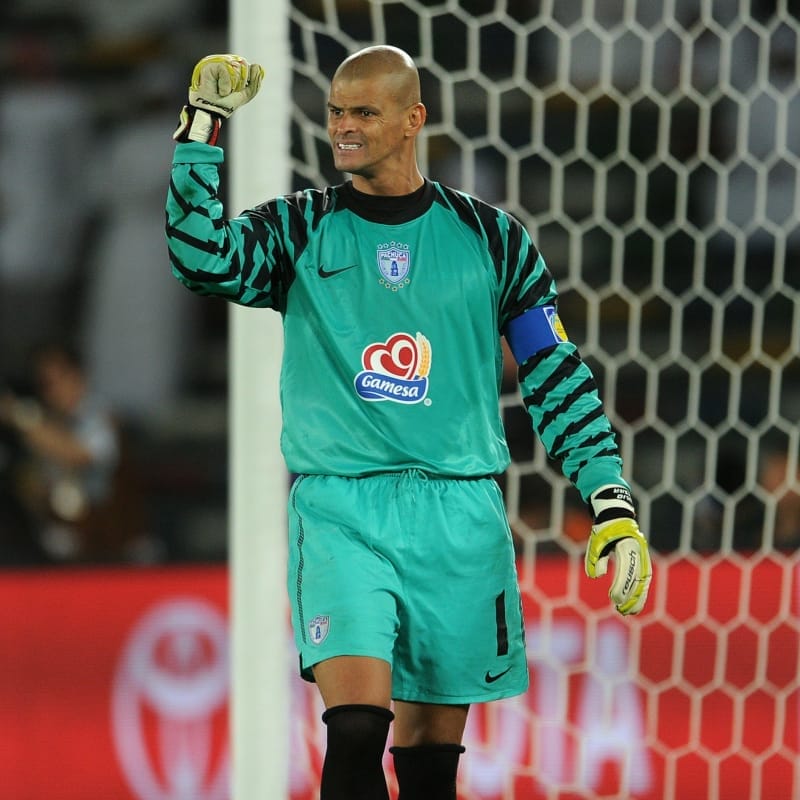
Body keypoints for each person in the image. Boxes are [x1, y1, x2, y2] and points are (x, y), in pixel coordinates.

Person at [166, 47, 652, 799]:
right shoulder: (301, 229)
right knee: (356, 724)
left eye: (364, 112)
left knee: (429, 763)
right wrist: (203, 131)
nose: (344, 128)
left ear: (412, 119)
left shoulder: (492, 240)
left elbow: (556, 375)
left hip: (458, 515)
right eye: (335, 111)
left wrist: (610, 498)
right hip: (342, 509)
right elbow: (202, 258)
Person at [0, 342, 146, 563]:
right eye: (44, 384)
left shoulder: (101, 416)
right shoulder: (49, 424)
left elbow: (79, 454)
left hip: (116, 551)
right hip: (65, 550)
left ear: (78, 375)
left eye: (57, 380)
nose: (52, 391)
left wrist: (20, 415)